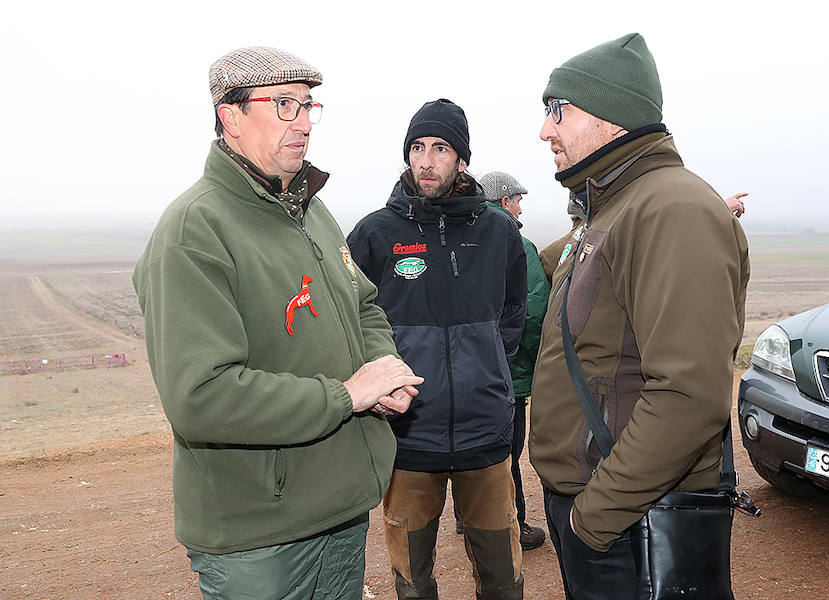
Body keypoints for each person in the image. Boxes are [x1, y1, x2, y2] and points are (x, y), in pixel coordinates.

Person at [132, 46, 423, 600]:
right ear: (230, 116)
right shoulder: (195, 230)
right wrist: (346, 396)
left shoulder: (309, 209)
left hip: (338, 506)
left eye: (310, 105)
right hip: (259, 535)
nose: (305, 122)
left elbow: (362, 303)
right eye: (284, 104)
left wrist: (382, 372)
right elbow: (202, 396)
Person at [529, 33, 750, 599]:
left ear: (613, 115)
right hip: (608, 509)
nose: (545, 130)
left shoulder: (670, 209)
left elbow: (689, 394)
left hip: (629, 519)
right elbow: (583, 278)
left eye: (559, 110)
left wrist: (592, 522)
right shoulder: (624, 205)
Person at [347, 99, 528, 600]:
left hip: (485, 432)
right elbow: (349, 318)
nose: (426, 160)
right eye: (417, 148)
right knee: (412, 580)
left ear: (462, 161)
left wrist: (487, 365)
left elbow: (516, 311)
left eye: (441, 148)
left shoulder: (499, 231)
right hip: (408, 436)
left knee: (501, 576)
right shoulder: (374, 233)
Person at [479, 170, 550, 551]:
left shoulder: (465, 237)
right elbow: (535, 309)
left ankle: (467, 517)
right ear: (504, 201)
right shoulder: (518, 243)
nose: (521, 207)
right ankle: (513, 525)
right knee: (507, 450)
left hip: (471, 365)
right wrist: (535, 359)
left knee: (477, 443)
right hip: (511, 368)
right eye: (518, 200)